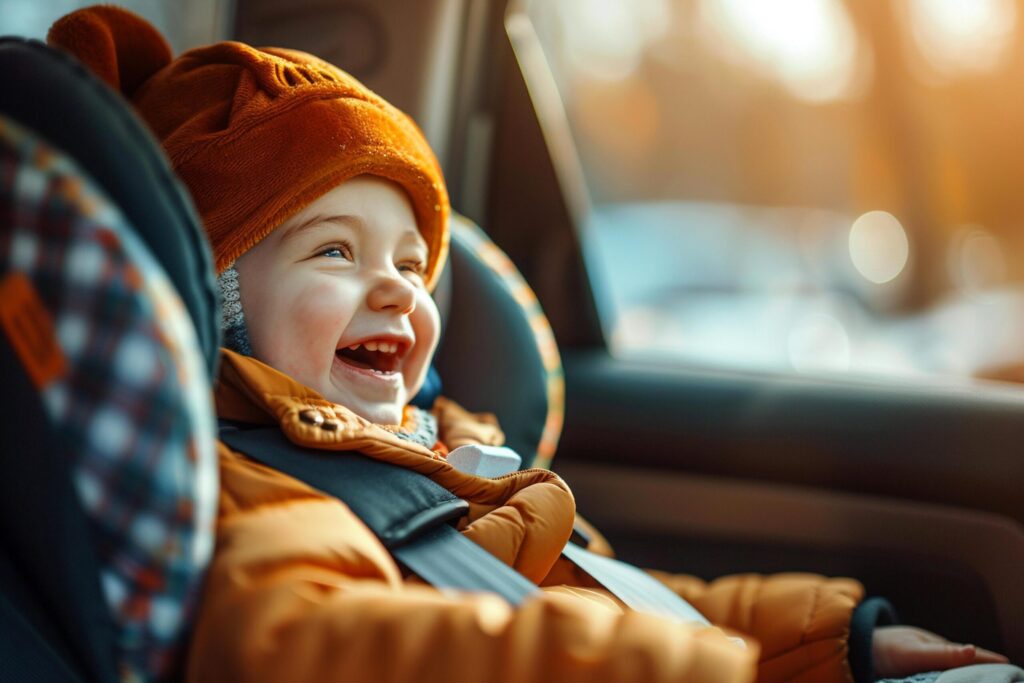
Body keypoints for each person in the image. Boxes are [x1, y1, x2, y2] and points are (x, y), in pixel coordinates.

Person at [47, 6, 1010, 683]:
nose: (396, 286)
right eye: (334, 251)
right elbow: (294, 643)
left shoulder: (436, 450)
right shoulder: (261, 483)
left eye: (412, 262)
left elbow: (618, 594)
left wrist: (833, 642)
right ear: (218, 301)